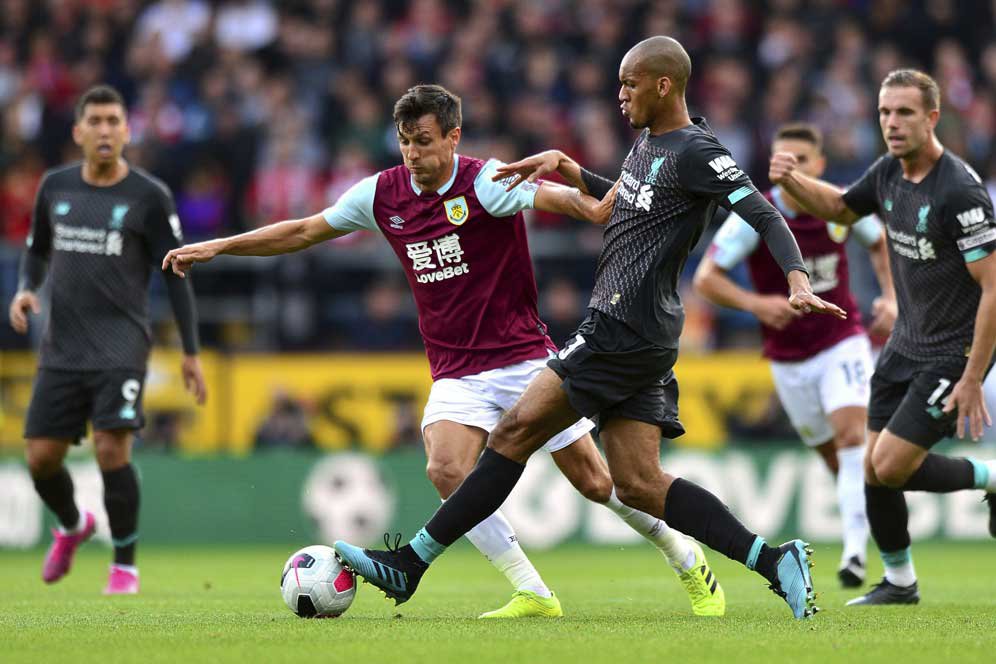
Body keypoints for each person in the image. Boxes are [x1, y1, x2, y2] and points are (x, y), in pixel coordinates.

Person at [163, 84, 727, 619]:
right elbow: (303, 231)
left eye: (424, 140)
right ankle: (533, 592)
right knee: (445, 467)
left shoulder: (487, 183)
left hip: (528, 360)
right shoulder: (381, 194)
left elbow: (569, 202)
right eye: (405, 141)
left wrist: (587, 199)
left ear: (453, 137)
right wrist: (219, 246)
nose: (412, 152)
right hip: (457, 371)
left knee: (598, 484)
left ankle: (687, 560)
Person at [332, 37, 846, 620]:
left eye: (629, 84)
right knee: (638, 484)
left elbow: (763, 211)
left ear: (663, 85)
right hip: (642, 331)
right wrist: (573, 170)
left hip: (620, 325)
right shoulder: (648, 145)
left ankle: (411, 565)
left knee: (513, 434)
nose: (619, 94)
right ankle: (774, 560)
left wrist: (798, 278)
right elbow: (625, 208)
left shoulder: (697, 151)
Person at [768, 69, 996, 606]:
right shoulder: (890, 172)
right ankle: (899, 581)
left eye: (905, 113)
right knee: (871, 466)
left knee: (891, 464)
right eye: (885, 113)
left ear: (933, 118)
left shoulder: (959, 192)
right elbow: (842, 208)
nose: (892, 123)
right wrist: (793, 182)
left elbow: (994, 289)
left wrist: (971, 378)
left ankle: (991, 476)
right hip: (905, 344)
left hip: (953, 351)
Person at [8, 84, 207, 595]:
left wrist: (189, 351)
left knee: (111, 450)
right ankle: (74, 525)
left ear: (127, 130)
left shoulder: (148, 195)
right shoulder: (55, 187)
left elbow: (176, 272)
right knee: (41, 458)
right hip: (62, 345)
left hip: (122, 343)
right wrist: (27, 291)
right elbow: (36, 251)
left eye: (113, 121)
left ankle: (124, 567)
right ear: (77, 131)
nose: (103, 130)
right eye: (94, 121)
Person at [693, 122, 897, 588]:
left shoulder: (839, 204)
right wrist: (756, 304)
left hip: (842, 341)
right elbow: (706, 279)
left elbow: (880, 240)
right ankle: (874, 529)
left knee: (850, 437)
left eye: (802, 160)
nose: (792, 168)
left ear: (819, 165)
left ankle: (853, 553)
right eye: (783, 158)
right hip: (787, 358)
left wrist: (891, 297)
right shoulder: (756, 213)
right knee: (833, 455)